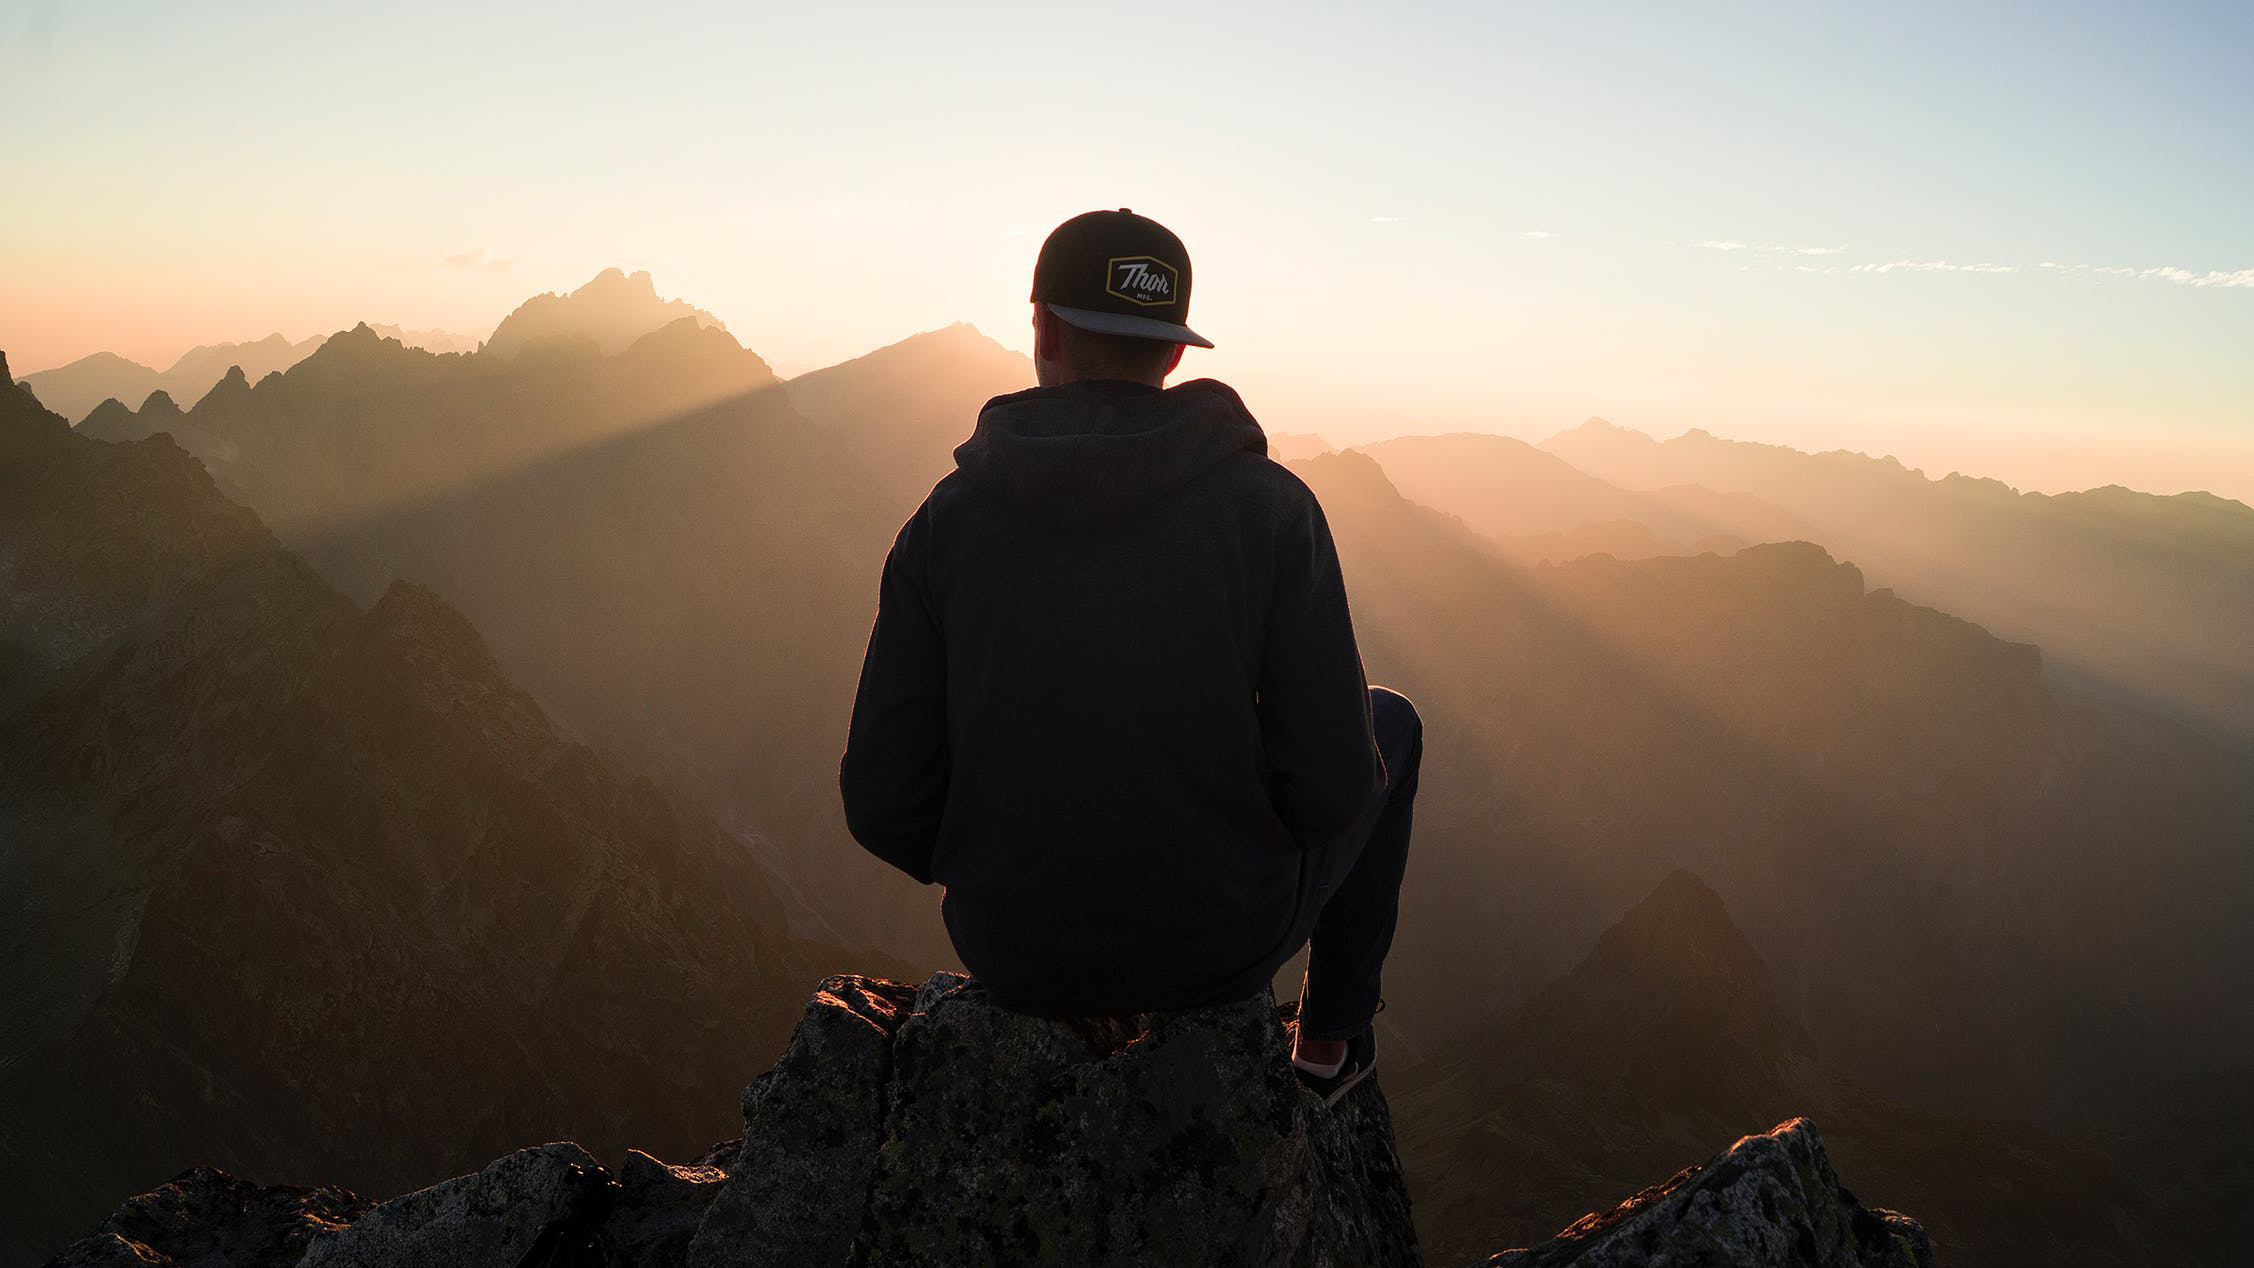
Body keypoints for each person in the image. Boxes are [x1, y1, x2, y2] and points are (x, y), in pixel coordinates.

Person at [840, 208, 1420, 1105]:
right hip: (1217, 946)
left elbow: (882, 802)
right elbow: (1338, 788)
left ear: (1042, 328)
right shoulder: (1272, 514)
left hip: (1012, 946)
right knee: (1392, 722)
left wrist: (1006, 863)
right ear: (1176, 353)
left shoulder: (944, 524)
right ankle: (1327, 1047)